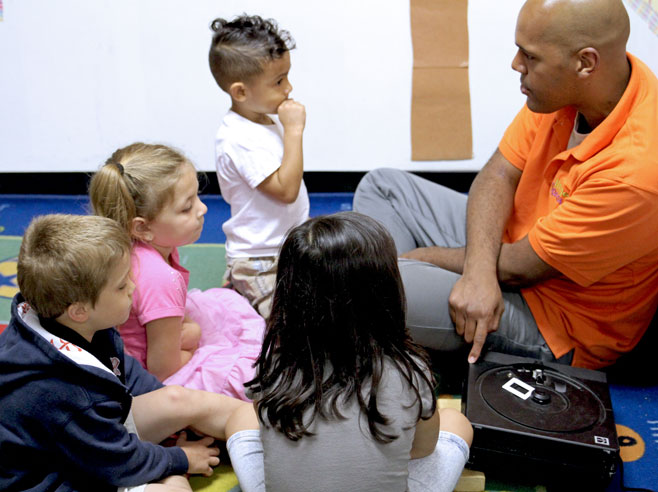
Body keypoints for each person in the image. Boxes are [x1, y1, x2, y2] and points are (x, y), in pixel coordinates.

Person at [353, 0, 658, 370]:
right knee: (383, 186)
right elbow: (498, 173)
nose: (516, 64)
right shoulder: (569, 94)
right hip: (511, 251)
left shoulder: (638, 172)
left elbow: (521, 268)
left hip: (554, 321)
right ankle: (393, 309)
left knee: (365, 282)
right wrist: (478, 274)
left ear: (585, 63)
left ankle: (386, 305)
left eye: (529, 56)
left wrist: (415, 260)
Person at [0, 214, 259, 492]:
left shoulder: (82, 322)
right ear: (79, 310)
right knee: (172, 488)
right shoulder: (60, 392)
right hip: (62, 476)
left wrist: (178, 425)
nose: (133, 287)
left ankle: (264, 465)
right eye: (122, 285)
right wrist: (180, 459)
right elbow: (116, 461)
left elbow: (125, 374)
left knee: (178, 398)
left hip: (88, 441)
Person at [226, 212, 473, 492]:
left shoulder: (275, 366)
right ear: (386, 294)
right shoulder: (410, 372)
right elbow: (422, 449)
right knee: (456, 423)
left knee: (240, 417)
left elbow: (267, 428)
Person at [89, 142, 265, 401]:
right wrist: (193, 343)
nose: (203, 209)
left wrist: (189, 328)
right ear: (142, 227)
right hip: (148, 380)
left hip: (150, 344)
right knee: (250, 374)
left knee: (224, 306)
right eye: (187, 207)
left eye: (197, 197)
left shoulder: (145, 244)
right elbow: (164, 370)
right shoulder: (160, 277)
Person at [208, 14, 310, 318]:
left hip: (283, 249)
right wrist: (294, 131)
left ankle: (241, 290)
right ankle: (241, 285)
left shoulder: (261, 120)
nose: (288, 88)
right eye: (278, 81)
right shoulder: (240, 138)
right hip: (260, 259)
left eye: (287, 76)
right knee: (288, 328)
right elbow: (287, 190)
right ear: (240, 92)